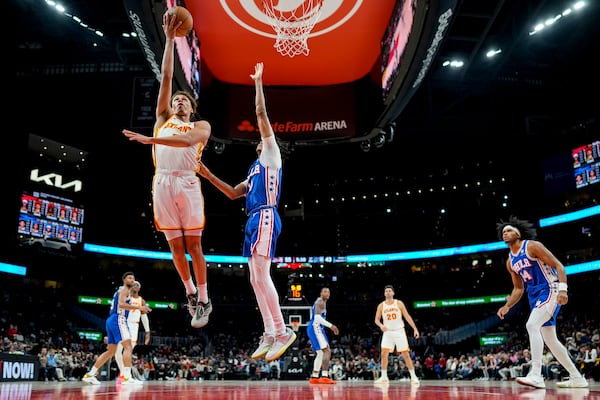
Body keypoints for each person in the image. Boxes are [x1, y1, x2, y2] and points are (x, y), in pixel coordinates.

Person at [196, 62, 296, 361]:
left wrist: (258, 83)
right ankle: (269, 331)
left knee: (262, 275)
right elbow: (230, 193)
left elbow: (261, 115)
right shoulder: (253, 170)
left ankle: (282, 331)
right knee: (254, 279)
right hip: (253, 220)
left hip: (266, 215)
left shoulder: (271, 155)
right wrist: (205, 173)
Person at [122, 9, 212, 328]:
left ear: (191, 107)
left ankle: (204, 297)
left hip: (187, 184)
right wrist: (171, 42)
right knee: (175, 247)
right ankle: (189, 292)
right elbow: (167, 73)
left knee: (194, 245)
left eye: (184, 101)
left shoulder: (200, 126)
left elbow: (188, 144)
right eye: (175, 101)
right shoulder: (163, 120)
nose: (178, 103)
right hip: (162, 184)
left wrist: (151, 141)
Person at [496, 216, 588, 389]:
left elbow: (559, 266)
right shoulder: (510, 261)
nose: (505, 233)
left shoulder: (532, 246)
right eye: (503, 232)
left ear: (518, 233)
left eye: (509, 230)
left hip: (550, 289)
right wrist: (507, 306)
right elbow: (518, 289)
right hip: (535, 296)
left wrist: (563, 290)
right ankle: (577, 378)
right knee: (551, 340)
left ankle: (536, 375)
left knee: (531, 325)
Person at [82, 271, 151, 385]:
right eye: (129, 278)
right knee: (128, 347)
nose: (132, 280)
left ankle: (90, 374)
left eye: (133, 278)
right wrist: (139, 308)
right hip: (119, 319)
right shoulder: (124, 290)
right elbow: (121, 304)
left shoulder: (122, 290)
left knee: (111, 351)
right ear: (124, 280)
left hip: (112, 320)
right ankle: (126, 377)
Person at [374, 285, 420, 385]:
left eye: (390, 291)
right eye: (386, 291)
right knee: (383, 353)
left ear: (393, 293)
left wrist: (415, 329)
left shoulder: (399, 303)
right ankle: (384, 377)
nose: (388, 292)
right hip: (388, 332)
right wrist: (381, 325)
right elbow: (376, 320)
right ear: (384, 293)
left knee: (406, 354)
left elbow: (407, 316)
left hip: (399, 331)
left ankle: (413, 376)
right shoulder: (381, 305)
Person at [115, 280, 150, 382]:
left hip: (134, 326)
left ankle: (127, 376)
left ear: (139, 288)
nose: (135, 286)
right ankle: (124, 374)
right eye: (134, 284)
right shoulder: (124, 298)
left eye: (137, 285)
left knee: (128, 352)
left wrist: (148, 332)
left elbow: (144, 317)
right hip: (123, 324)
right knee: (117, 352)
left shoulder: (141, 300)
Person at [307, 287, 339, 384]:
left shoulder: (321, 302)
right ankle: (325, 376)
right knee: (327, 350)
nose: (327, 293)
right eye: (325, 291)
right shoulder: (320, 302)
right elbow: (317, 317)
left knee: (320, 353)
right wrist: (331, 326)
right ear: (321, 293)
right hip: (315, 327)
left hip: (315, 328)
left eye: (328, 292)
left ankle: (315, 376)